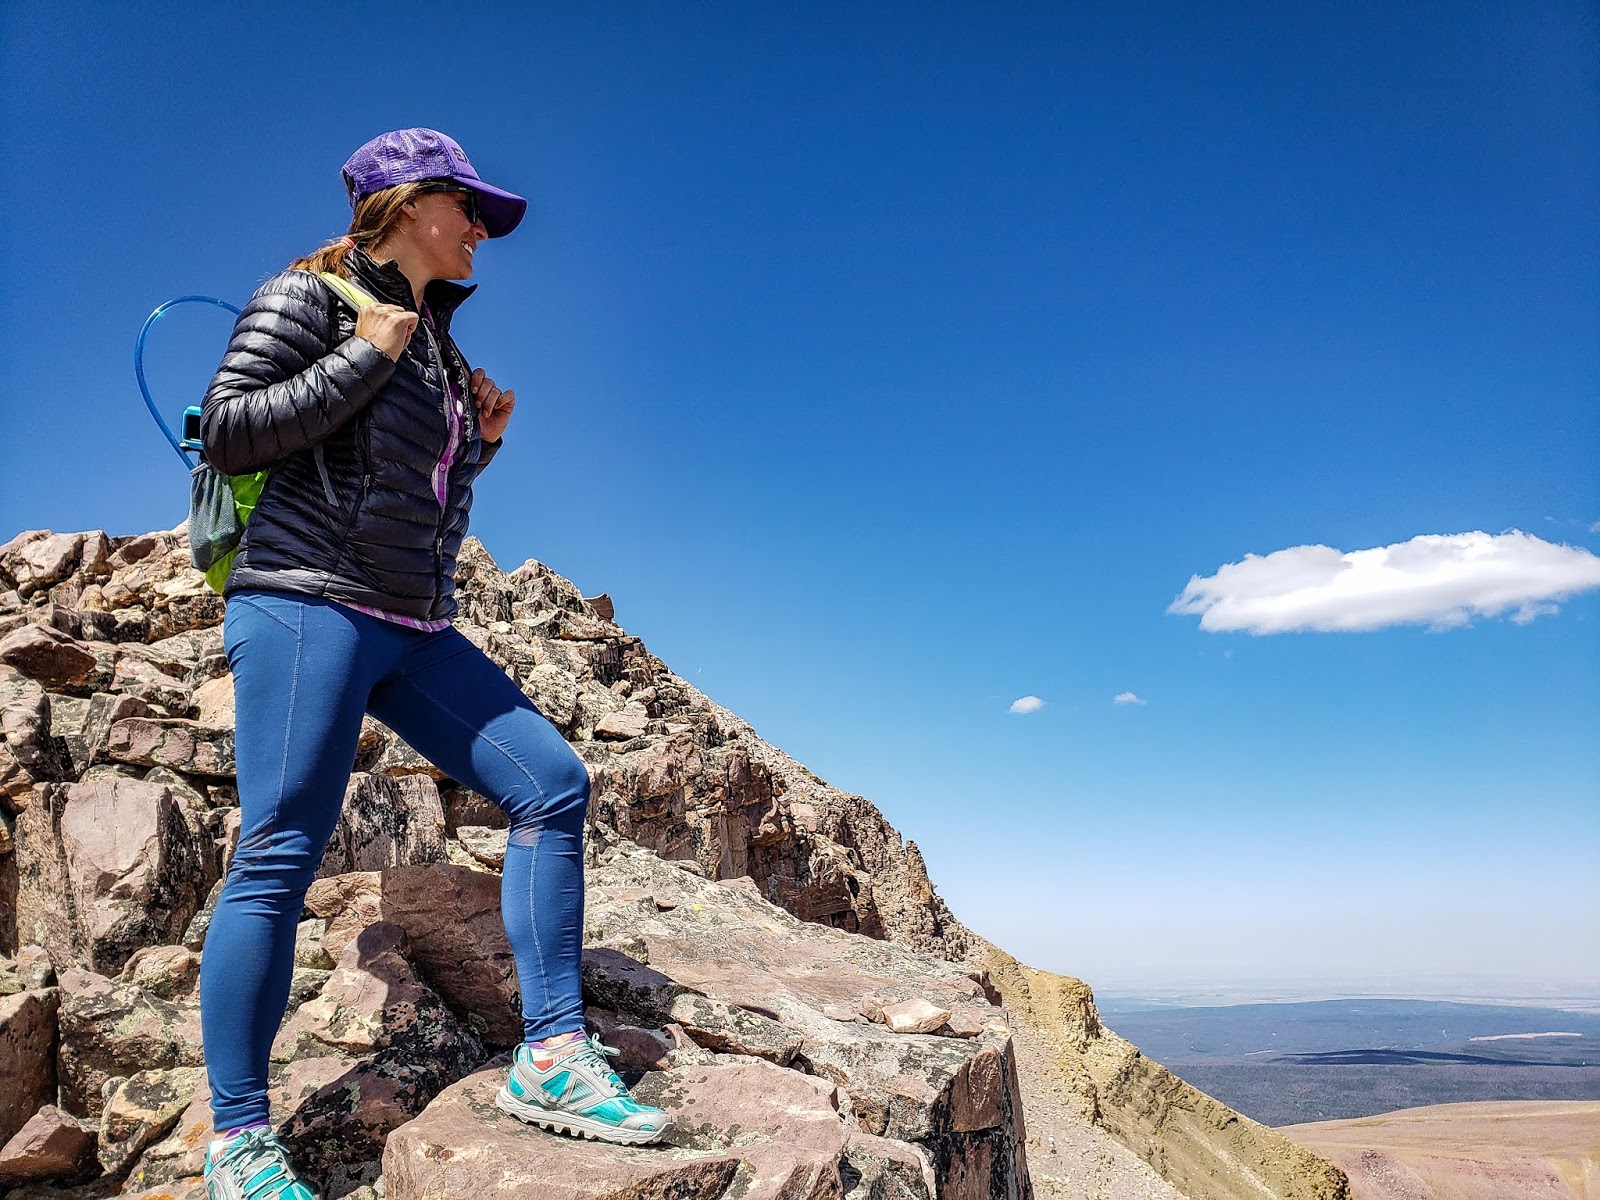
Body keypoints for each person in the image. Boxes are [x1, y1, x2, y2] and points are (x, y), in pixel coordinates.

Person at [196, 129, 670, 1200]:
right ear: (410, 205)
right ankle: (236, 1142)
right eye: (469, 211)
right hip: (304, 602)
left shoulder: (442, 348)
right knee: (280, 851)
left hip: (411, 622)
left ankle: (550, 1058)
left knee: (550, 783)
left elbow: (418, 504)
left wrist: (481, 445)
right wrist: (363, 350)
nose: (482, 233)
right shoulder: (308, 299)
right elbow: (229, 433)